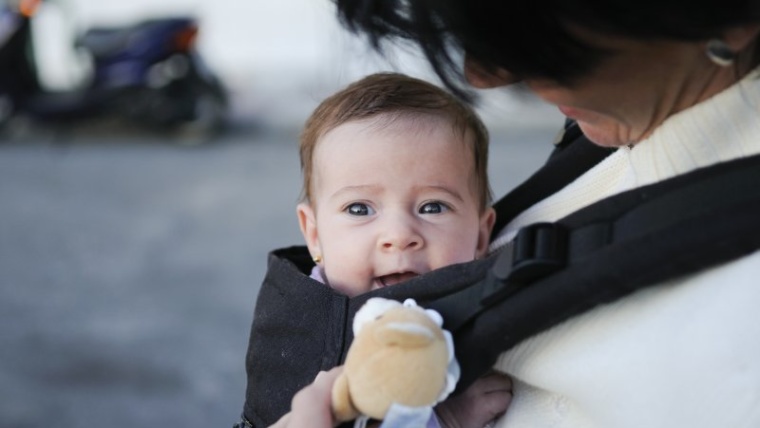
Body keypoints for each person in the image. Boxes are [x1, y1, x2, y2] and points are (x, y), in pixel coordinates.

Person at [268, 0, 760, 427]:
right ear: (311, 231)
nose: (483, 75)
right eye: (359, 208)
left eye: (526, 26)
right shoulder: (609, 133)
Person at [242, 72, 512, 428]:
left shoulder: (494, 305)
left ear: (481, 235)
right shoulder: (298, 327)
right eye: (360, 209)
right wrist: (446, 420)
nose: (399, 235)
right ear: (315, 234)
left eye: (433, 207)